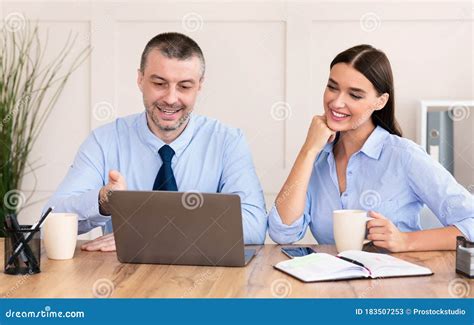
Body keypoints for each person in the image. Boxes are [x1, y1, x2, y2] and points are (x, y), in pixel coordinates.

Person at [45, 32, 267, 251]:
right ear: (140, 79)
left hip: (203, 280)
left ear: (200, 85)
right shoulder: (104, 141)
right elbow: (49, 221)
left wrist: (151, 236)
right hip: (125, 280)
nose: (171, 98)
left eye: (185, 86)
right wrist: (103, 201)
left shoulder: (227, 142)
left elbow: (254, 226)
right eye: (160, 83)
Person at [268, 44, 473, 252]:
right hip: (332, 282)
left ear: (381, 101)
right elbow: (282, 232)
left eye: (355, 95)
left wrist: (405, 241)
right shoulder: (317, 157)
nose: (337, 103)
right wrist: (308, 151)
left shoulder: (404, 156)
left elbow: (471, 222)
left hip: (397, 281)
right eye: (332, 87)